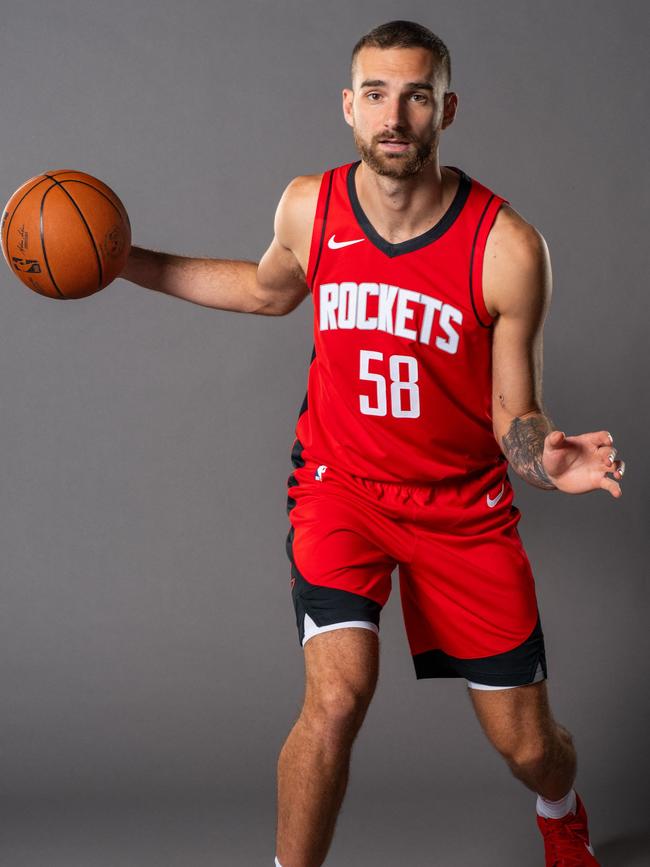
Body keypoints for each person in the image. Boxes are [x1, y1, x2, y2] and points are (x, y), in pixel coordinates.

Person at [120, 20, 625, 867]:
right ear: (349, 108)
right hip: (340, 488)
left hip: (462, 511)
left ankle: (560, 808)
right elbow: (262, 289)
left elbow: (515, 417)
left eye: (418, 96)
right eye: (379, 95)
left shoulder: (505, 247)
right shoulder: (309, 207)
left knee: (529, 745)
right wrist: (121, 259)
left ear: (447, 110)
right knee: (337, 695)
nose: (397, 116)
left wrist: (545, 460)